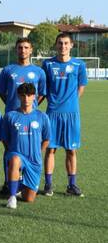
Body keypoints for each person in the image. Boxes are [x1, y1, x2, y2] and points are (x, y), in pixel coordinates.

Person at [0, 37, 46, 193]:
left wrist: (31, 105)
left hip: (31, 117)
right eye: (20, 47)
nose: (23, 50)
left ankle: (25, 181)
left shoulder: (39, 71)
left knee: (31, 149)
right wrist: (12, 105)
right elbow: (2, 92)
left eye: (26, 47)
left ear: (31, 50)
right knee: (10, 148)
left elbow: (42, 94)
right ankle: (8, 182)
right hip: (12, 116)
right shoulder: (8, 70)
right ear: (16, 49)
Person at [41, 33, 87, 197]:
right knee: (50, 149)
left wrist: (71, 102)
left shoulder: (79, 65)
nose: (63, 46)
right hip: (52, 113)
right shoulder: (47, 64)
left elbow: (81, 87)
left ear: (71, 45)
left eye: (66, 43)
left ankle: (71, 185)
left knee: (71, 150)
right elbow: (43, 87)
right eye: (60, 43)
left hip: (72, 114)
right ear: (56, 45)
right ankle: (48, 184)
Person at [1, 83, 51, 209]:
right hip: (16, 154)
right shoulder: (10, 116)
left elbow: (46, 139)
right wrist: (11, 150)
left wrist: (39, 152)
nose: (26, 99)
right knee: (15, 159)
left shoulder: (42, 116)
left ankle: (20, 184)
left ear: (34, 96)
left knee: (29, 199)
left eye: (29, 95)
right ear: (18, 96)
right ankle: (12, 196)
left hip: (34, 160)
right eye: (23, 95)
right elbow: (4, 138)